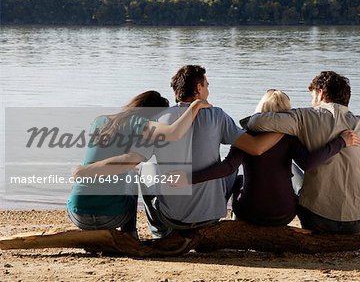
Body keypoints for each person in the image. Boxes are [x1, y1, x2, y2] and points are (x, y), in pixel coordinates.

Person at [73, 65, 282, 238]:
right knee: (232, 172)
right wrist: (285, 126)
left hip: (172, 217)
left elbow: (130, 160)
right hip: (210, 216)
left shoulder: (159, 119)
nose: (208, 90)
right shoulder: (218, 116)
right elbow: (256, 148)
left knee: (145, 168)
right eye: (207, 86)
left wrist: (86, 170)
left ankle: (159, 233)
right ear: (199, 88)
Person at [181, 89, 360, 226]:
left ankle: (232, 219)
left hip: (249, 213)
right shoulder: (291, 137)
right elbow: (308, 162)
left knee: (238, 178)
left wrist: (189, 178)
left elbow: (227, 168)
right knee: (296, 172)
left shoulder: (246, 136)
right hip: (283, 215)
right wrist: (340, 142)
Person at [247, 71, 360, 234]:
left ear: (321, 94)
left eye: (313, 96)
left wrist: (288, 130)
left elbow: (256, 121)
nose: (312, 102)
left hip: (318, 219)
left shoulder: (304, 117)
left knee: (294, 170)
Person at [67, 90, 211, 238]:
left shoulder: (100, 121)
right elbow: (174, 132)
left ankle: (99, 231)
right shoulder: (137, 122)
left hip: (77, 215)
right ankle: (130, 234)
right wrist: (196, 106)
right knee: (133, 175)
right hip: (111, 217)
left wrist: (85, 171)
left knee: (126, 171)